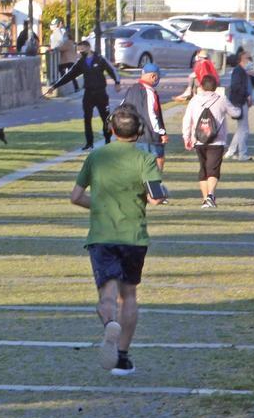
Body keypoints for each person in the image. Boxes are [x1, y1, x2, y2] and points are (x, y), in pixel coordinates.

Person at [68, 104, 164, 377]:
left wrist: (98, 205)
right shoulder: (145, 159)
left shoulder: (96, 157)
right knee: (129, 295)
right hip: (133, 236)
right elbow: (156, 197)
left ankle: (110, 323)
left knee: (107, 294)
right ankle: (122, 356)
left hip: (102, 235)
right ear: (139, 132)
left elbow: (75, 196)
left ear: (111, 129)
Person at [47, 40, 121, 151]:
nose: (80, 52)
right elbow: (69, 75)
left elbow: (111, 70)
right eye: (79, 50)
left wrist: (117, 82)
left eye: (82, 49)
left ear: (88, 47)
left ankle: (107, 140)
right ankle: (89, 143)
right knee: (87, 119)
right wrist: (54, 86)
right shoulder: (81, 62)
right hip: (88, 94)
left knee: (105, 118)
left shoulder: (100, 59)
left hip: (101, 93)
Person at [181, 74, 240, 208]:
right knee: (213, 169)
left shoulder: (194, 100)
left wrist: (186, 137)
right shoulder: (221, 99)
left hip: (198, 139)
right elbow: (235, 113)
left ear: (201, 86)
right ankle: (210, 195)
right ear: (215, 87)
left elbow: (187, 120)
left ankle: (205, 198)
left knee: (203, 169)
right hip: (217, 140)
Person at [122, 62, 168, 171]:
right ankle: (156, 185)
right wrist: (162, 133)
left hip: (134, 136)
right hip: (150, 136)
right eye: (158, 76)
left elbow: (121, 109)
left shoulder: (131, 90)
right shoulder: (150, 92)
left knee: (138, 166)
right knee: (158, 160)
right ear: (153, 76)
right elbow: (152, 115)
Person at [224, 50, 254, 162]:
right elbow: (236, 86)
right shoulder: (238, 71)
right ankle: (243, 153)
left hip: (243, 101)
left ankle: (231, 151)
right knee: (244, 129)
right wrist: (247, 96)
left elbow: (253, 83)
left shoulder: (244, 71)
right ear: (243, 60)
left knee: (240, 129)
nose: (250, 61)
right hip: (240, 102)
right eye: (248, 58)